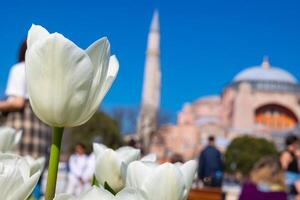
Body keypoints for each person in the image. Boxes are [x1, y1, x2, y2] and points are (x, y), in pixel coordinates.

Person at [0, 39, 51, 199]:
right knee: (35, 176)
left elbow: (17, 102)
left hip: (23, 126)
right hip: (43, 127)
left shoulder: (19, 69)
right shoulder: (46, 73)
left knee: (19, 173)